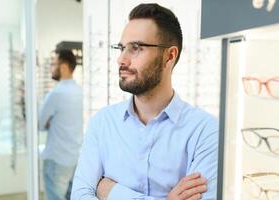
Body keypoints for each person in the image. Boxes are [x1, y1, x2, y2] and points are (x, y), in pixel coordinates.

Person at [71, 3, 218, 200]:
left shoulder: (205, 131)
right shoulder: (102, 123)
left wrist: (112, 191)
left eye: (136, 48)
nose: (121, 60)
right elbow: (80, 196)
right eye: (122, 48)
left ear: (169, 56)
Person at [39, 49, 83, 200]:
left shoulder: (56, 94)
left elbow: (39, 124)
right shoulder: (80, 91)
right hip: (74, 158)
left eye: (53, 64)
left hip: (56, 159)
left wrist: (50, 122)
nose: (51, 68)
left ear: (63, 66)